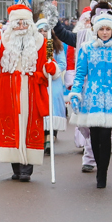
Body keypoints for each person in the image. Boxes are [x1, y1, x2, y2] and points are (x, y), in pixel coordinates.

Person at [0, 1, 56, 182]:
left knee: (30, 126)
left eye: (24, 23)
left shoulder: (45, 43)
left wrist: (50, 69)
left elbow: (51, 64)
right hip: (9, 90)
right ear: (12, 25)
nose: (21, 27)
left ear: (30, 25)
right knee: (12, 126)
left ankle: (27, 168)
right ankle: (16, 165)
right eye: (18, 23)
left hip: (32, 90)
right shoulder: (4, 42)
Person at [66, 13, 112, 189]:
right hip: (92, 97)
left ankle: (103, 172)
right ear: (96, 30)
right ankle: (97, 165)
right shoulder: (87, 48)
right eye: (101, 29)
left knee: (106, 135)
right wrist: (75, 94)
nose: (104, 32)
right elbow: (80, 74)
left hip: (111, 97)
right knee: (95, 135)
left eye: (107, 29)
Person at [39, 19, 67, 155]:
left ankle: (51, 136)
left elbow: (62, 63)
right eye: (40, 31)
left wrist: (53, 69)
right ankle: (43, 138)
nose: (43, 33)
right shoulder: (34, 45)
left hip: (53, 81)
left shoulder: (55, 45)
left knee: (53, 108)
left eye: (45, 30)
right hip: (40, 81)